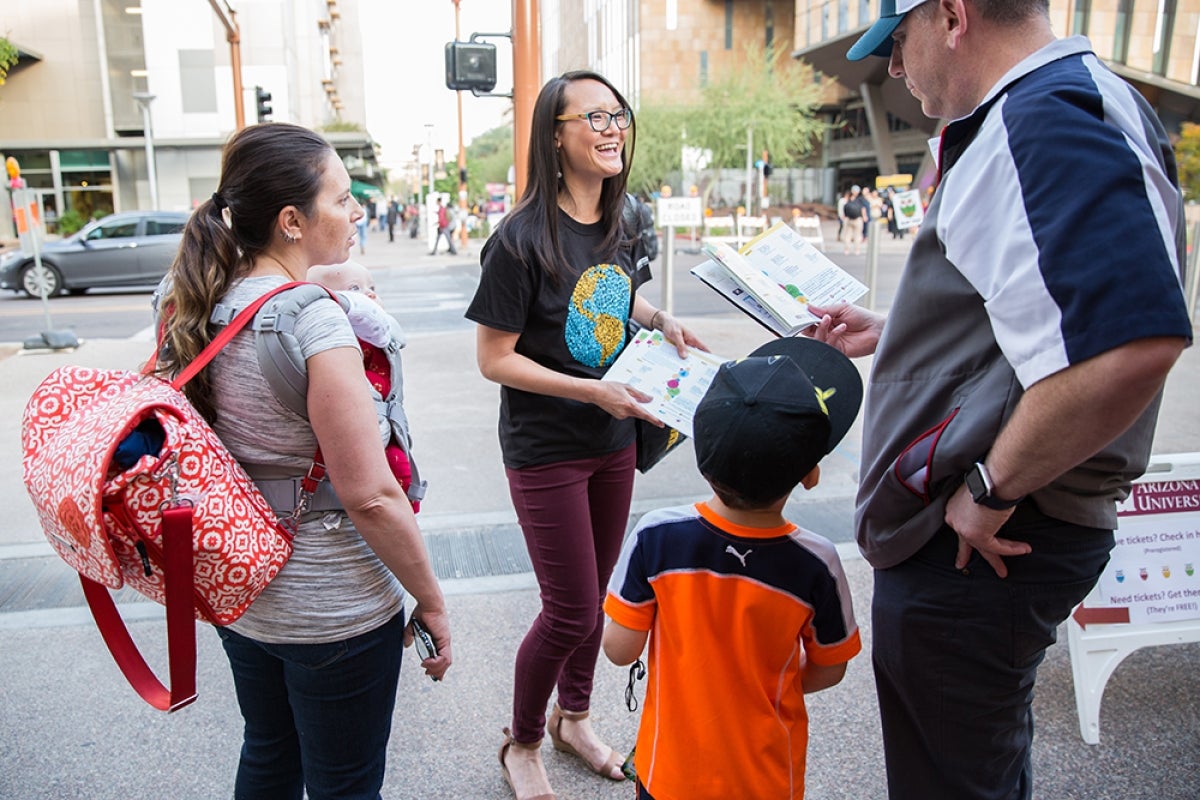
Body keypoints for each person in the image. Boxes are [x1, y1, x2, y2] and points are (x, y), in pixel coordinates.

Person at [805, 3, 1193, 797]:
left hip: (988, 537)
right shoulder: (1070, 103)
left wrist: (989, 490)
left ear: (951, 16)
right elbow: (1036, 310)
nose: (895, 70)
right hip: (993, 532)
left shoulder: (1042, 119)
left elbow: (1129, 345)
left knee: (953, 776)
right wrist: (904, 326)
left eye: (900, 44)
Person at [154, 122, 452, 799]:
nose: (356, 213)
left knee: (269, 753)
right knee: (345, 784)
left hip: (241, 590)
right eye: (342, 199)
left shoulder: (191, 304)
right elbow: (370, 495)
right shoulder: (313, 320)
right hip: (334, 607)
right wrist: (431, 599)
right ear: (291, 220)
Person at [464, 70, 706, 800]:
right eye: (592, 117)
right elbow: (494, 359)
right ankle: (524, 741)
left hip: (614, 438)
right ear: (556, 134)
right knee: (568, 608)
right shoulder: (517, 240)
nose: (611, 128)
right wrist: (591, 390)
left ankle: (575, 718)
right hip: (547, 448)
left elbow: (615, 289)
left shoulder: (627, 216)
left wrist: (656, 319)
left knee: (593, 594)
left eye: (618, 114)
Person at [602, 337, 864, 800]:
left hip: (670, 772)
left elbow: (621, 650)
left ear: (704, 461)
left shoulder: (656, 537)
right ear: (810, 475)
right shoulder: (816, 564)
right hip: (765, 778)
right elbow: (830, 668)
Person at [307, 260, 423, 513]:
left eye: (372, 286)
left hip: (384, 425)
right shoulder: (339, 338)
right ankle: (403, 511)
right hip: (367, 427)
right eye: (355, 288)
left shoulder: (377, 332)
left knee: (400, 465)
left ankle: (407, 507)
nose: (370, 293)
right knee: (394, 468)